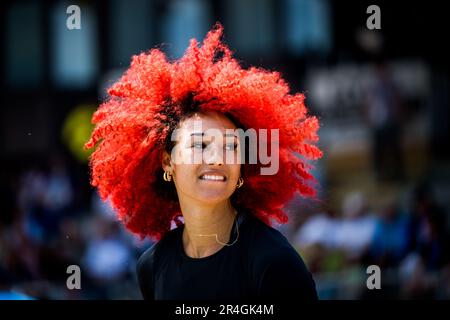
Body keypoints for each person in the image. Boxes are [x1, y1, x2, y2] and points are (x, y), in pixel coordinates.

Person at [85, 24, 322, 300]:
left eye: (230, 146)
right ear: (167, 162)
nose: (217, 158)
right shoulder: (152, 266)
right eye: (200, 144)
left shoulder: (273, 261)